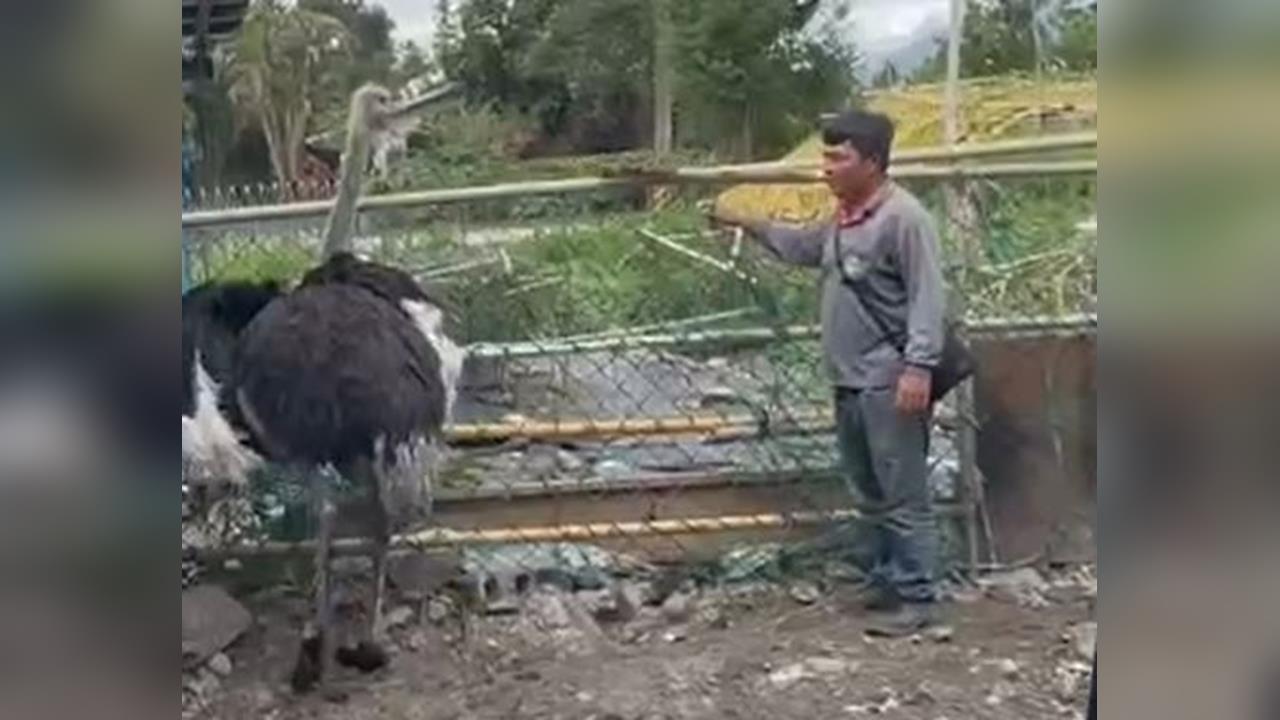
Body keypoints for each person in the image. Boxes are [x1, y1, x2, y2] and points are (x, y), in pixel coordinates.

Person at [713, 109, 947, 636]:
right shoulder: (845, 219)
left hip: (889, 379)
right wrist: (746, 222)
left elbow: (927, 298)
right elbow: (804, 247)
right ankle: (886, 579)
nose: (827, 168)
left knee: (902, 490)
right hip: (849, 379)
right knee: (868, 489)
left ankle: (917, 595)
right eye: (826, 157)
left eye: (838, 158)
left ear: (872, 162)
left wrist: (919, 367)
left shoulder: (903, 219)